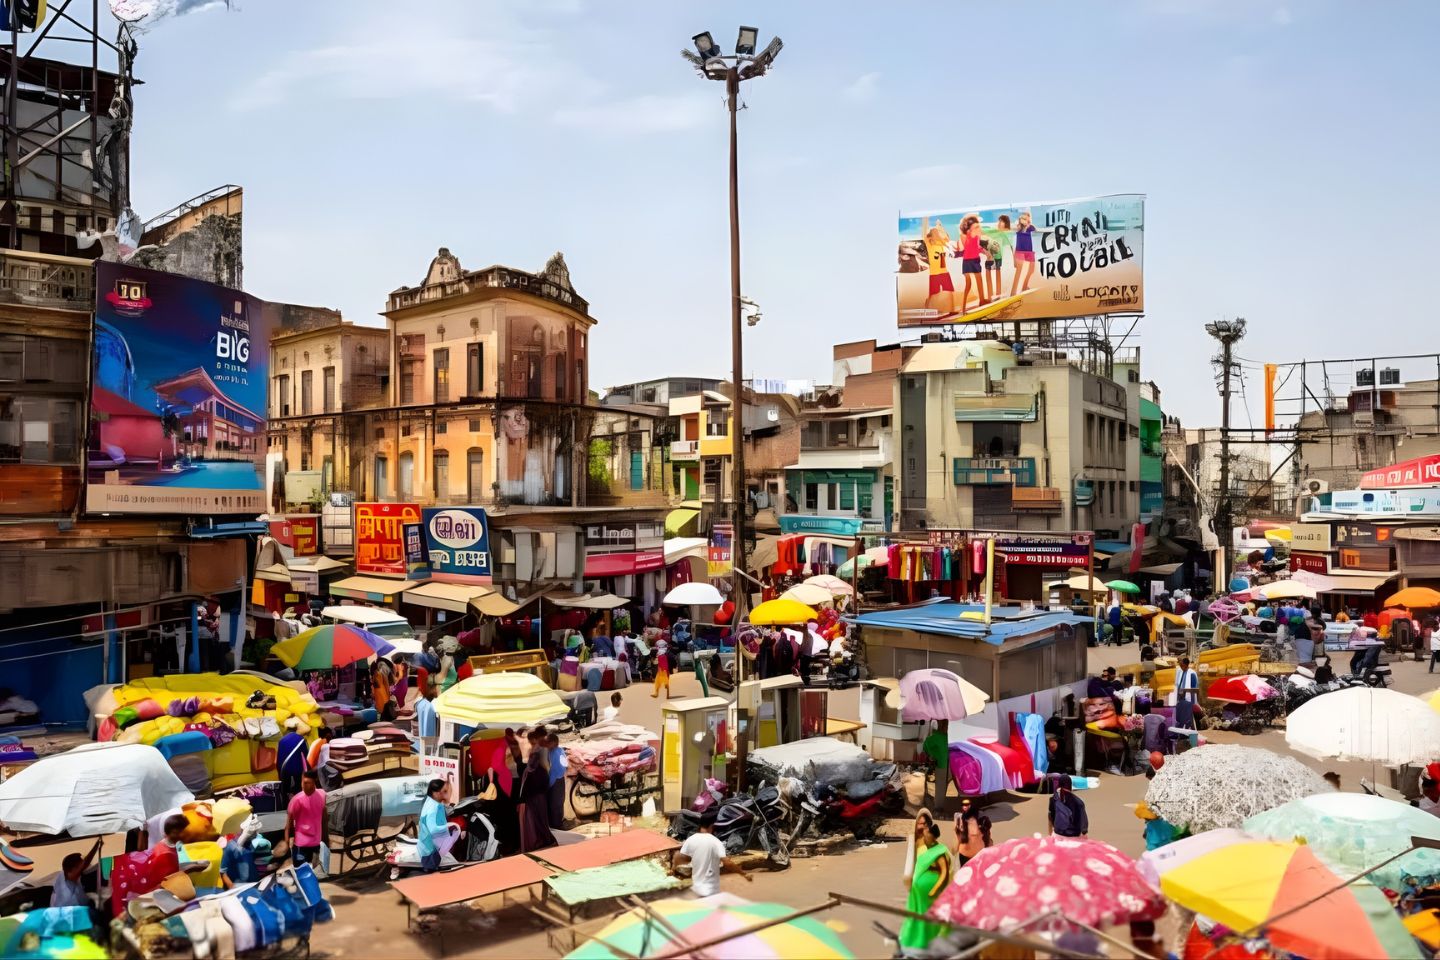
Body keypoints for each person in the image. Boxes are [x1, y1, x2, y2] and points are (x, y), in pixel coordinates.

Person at [899, 822, 952, 956]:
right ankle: (917, 941)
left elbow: (944, 872)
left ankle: (930, 943)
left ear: (933, 836)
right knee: (918, 916)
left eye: (927, 832)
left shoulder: (939, 851)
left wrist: (934, 890)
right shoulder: (926, 850)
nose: (924, 834)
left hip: (930, 893)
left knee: (929, 917)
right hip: (919, 893)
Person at [677, 813, 748, 897]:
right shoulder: (716, 842)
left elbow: (680, 859)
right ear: (712, 825)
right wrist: (743, 873)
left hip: (696, 889)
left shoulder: (690, 840)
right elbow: (727, 863)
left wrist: (673, 867)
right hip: (711, 890)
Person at [516, 729, 556, 852]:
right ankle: (542, 840)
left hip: (533, 790)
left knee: (533, 819)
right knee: (539, 817)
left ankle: (537, 842)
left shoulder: (537, 752)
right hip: (538, 789)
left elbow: (531, 768)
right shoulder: (541, 750)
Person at [284, 770, 327, 867]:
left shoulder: (322, 795)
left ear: (314, 783)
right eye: (303, 782)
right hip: (301, 845)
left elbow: (324, 820)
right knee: (302, 873)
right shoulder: (296, 800)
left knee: (314, 873)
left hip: (316, 844)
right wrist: (287, 845)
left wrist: (325, 840)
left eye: (307, 783)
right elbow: (288, 826)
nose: (303, 786)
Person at [50, 838, 102, 908]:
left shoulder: (67, 876)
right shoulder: (67, 895)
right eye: (80, 866)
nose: (84, 867)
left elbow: (84, 864)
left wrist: (96, 846)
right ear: (74, 869)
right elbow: (84, 865)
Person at [920, 216, 956, 315]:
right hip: (934, 274)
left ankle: (952, 311)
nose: (937, 234)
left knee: (949, 291)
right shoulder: (929, 244)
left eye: (937, 232)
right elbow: (924, 234)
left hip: (944, 272)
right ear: (931, 236)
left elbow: (947, 237)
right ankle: (927, 306)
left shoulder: (941, 243)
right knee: (933, 294)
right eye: (935, 233)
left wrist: (940, 227)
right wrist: (925, 219)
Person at [417, 778, 452, 873]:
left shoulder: (429, 801)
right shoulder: (434, 808)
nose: (446, 794)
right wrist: (450, 827)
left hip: (426, 847)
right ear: (436, 793)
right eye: (444, 791)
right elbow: (433, 830)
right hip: (431, 853)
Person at [957, 214, 987, 314]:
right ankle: (963, 307)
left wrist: (985, 252)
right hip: (967, 261)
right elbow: (966, 246)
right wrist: (970, 234)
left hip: (976, 259)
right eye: (976, 227)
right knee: (968, 284)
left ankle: (982, 300)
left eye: (979, 226)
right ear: (969, 229)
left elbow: (977, 247)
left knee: (979, 279)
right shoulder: (965, 236)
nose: (979, 228)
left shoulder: (977, 235)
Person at [901, 809, 935, 888]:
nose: (922, 827)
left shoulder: (931, 846)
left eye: (924, 824)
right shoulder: (912, 842)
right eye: (920, 823)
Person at [952, 801, 991, 867]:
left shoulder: (983, 827)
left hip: (975, 858)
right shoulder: (963, 829)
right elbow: (955, 849)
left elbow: (955, 849)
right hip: (968, 858)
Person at [277, 725, 309, 802]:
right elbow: (306, 754)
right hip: (298, 767)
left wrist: (279, 769)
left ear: (287, 730)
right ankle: (299, 802)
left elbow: (279, 756)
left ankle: (285, 804)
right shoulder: (301, 739)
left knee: (285, 787)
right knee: (298, 786)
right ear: (296, 730)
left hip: (285, 767)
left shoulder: (282, 740)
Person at [1010, 210, 1038, 296]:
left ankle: (1024, 286)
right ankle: (1013, 292)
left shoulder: (1031, 227)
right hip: (1020, 251)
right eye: (1024, 218)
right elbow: (1012, 242)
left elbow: (1037, 232)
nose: (1026, 220)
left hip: (1029, 251)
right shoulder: (1018, 227)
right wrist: (1014, 258)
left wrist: (1030, 224)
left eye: (1028, 218)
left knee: (1032, 270)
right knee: (1019, 271)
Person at [545, 732, 568, 830]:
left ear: (553, 742)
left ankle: (556, 826)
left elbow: (554, 770)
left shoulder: (553, 752)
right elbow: (565, 765)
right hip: (561, 779)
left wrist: (548, 785)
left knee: (554, 804)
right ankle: (558, 823)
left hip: (556, 780)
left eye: (548, 742)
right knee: (559, 803)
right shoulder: (560, 750)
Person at [1173, 656, 1200, 730]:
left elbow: (1195, 689)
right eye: (1180, 666)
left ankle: (1187, 732)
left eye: (1182, 666)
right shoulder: (1181, 672)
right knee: (1181, 717)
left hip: (1189, 700)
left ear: (1186, 665)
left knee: (1187, 718)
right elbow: (1178, 685)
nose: (1181, 667)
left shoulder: (1192, 674)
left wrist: (1185, 691)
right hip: (1181, 699)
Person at [415, 683, 438, 754]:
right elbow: (429, 733)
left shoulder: (421, 704)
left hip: (423, 744)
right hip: (428, 746)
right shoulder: (430, 707)